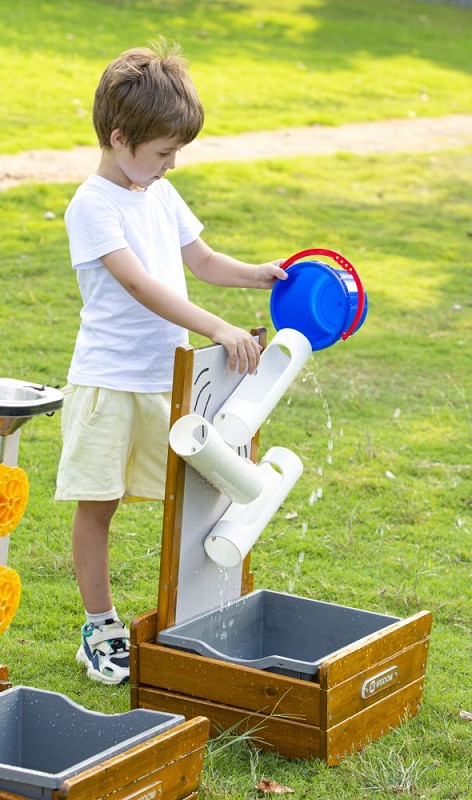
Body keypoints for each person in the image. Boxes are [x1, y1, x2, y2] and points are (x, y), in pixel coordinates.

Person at [55, 40, 287, 685]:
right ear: (120, 137)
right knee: (98, 505)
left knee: (190, 502)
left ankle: (190, 616)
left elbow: (204, 263)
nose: (171, 164)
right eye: (162, 153)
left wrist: (260, 277)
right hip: (109, 383)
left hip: (169, 383)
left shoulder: (157, 193)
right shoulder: (93, 205)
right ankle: (100, 627)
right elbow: (140, 286)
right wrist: (214, 325)